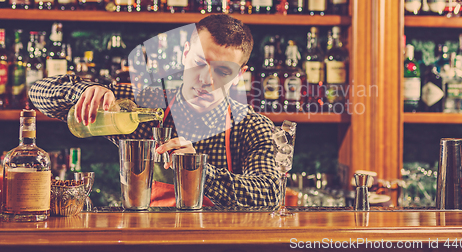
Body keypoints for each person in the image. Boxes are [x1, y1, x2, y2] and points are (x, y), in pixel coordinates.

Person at [29, 14, 281, 208]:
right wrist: (84, 92)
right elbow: (38, 92)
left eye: (222, 71)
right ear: (184, 55)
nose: (205, 79)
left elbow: (269, 193)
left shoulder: (251, 126)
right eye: (199, 63)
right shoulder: (143, 108)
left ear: (239, 76)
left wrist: (198, 170)